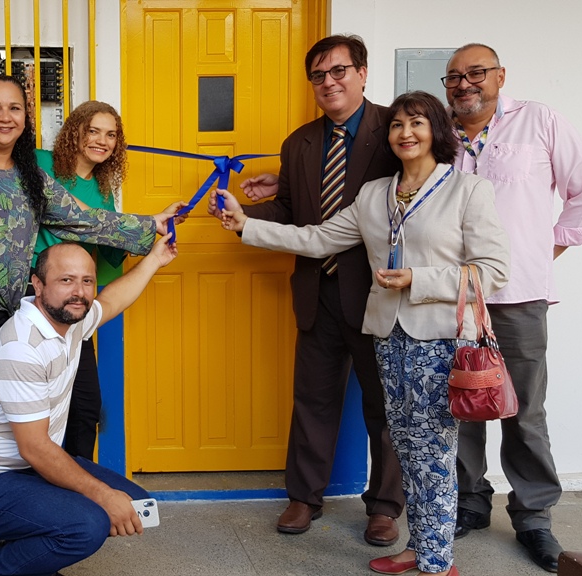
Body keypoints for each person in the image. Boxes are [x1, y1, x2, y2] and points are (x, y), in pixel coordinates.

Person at [217, 90, 510, 576]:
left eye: (417, 123)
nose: (406, 133)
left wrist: (419, 277)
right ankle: (421, 548)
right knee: (409, 447)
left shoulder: (467, 191)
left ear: (437, 131)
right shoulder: (375, 194)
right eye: (397, 125)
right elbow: (317, 238)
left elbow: (493, 271)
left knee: (433, 449)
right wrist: (246, 225)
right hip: (388, 338)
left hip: (440, 342)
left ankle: (437, 562)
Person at [0, 74, 180, 569]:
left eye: (15, 108)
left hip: (6, 308)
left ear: (25, 118)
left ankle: (11, 515)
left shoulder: (33, 175)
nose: (5, 116)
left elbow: (82, 218)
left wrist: (150, 228)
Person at [217, 34, 405, 545]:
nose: (329, 83)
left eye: (339, 71)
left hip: (378, 294)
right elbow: (295, 214)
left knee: (385, 405)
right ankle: (303, 498)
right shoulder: (298, 142)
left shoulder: (398, 130)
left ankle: (385, 507)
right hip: (315, 292)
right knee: (313, 401)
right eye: (319, 76)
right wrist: (244, 214)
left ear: (363, 73)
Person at [443, 44, 582, 573]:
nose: (465, 83)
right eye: (454, 77)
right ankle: (467, 502)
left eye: (476, 73)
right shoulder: (437, 133)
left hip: (518, 296)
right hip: (453, 293)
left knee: (524, 411)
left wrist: (544, 248)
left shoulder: (538, 120)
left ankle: (534, 516)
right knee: (460, 404)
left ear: (499, 76)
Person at [0, 238, 177, 574]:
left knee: (133, 503)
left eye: (87, 281)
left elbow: (112, 300)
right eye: (66, 280)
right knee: (88, 525)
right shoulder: (21, 347)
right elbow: (36, 448)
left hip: (29, 471)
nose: (79, 292)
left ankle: (27, 547)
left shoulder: (70, 322)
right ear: (37, 285)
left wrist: (155, 258)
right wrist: (101, 496)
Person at [32, 100, 130, 460]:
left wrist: (149, 235)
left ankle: (81, 485)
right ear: (75, 131)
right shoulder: (39, 163)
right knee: (35, 402)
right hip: (34, 297)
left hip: (74, 306)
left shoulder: (103, 191)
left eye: (111, 135)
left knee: (85, 406)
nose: (102, 141)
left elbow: (109, 248)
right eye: (94, 131)